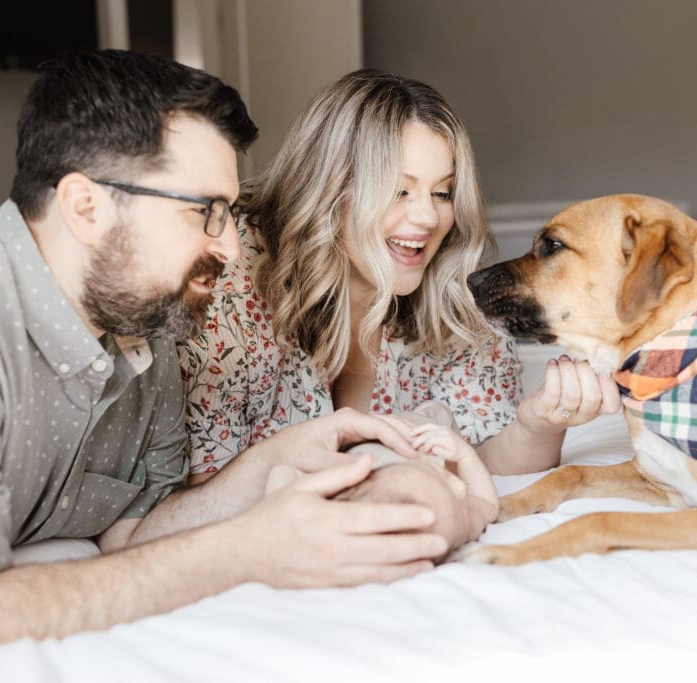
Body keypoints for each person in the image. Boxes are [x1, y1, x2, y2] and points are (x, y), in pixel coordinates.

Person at [0, 51, 449, 650]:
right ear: (87, 207)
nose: (233, 251)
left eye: (229, 212)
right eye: (205, 212)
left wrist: (272, 460)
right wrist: (242, 553)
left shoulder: (144, 329)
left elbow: (135, 538)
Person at [178, 69, 621, 482]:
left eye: (443, 192)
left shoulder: (456, 299)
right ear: (329, 189)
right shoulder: (227, 280)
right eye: (398, 190)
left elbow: (482, 461)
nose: (428, 216)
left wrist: (538, 424)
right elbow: (203, 491)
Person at [267, 402, 499, 561]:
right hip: (425, 433)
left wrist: (280, 507)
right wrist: (465, 455)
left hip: (374, 437)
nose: (460, 488)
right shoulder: (454, 526)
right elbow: (486, 504)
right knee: (438, 412)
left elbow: (282, 470)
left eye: (442, 477)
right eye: (461, 509)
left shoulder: (336, 493)